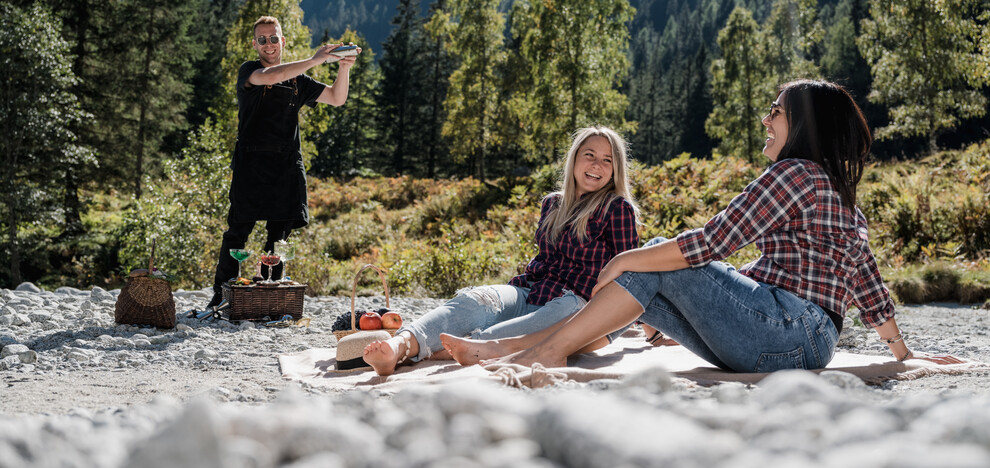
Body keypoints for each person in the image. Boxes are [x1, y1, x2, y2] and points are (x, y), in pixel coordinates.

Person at [441, 79, 963, 371]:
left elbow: (712, 242)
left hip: (787, 331)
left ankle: (543, 351)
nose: (766, 120)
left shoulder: (795, 174)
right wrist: (904, 353)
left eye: (776, 112)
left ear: (804, 125)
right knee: (648, 279)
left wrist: (623, 258)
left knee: (652, 259)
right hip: (803, 341)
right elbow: (865, 279)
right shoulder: (836, 193)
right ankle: (513, 347)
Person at [362, 126, 641, 375]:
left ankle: (454, 349)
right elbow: (545, 260)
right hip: (531, 289)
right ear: (575, 158)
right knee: (474, 301)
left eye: (607, 160)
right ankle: (399, 346)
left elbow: (632, 278)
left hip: (574, 304)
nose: (597, 165)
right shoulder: (552, 203)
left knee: (504, 332)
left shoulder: (617, 209)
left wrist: (648, 327)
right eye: (590, 155)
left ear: (615, 170)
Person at [206, 16, 361, 310]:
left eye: (274, 38)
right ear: (255, 44)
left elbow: (336, 98)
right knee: (238, 231)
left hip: (286, 166)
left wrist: (344, 67)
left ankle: (270, 295)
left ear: (283, 41)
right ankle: (222, 295)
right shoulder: (249, 71)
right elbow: (270, 77)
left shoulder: (299, 80)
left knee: (279, 236)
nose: (269, 44)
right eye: (262, 39)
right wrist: (315, 60)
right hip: (251, 165)